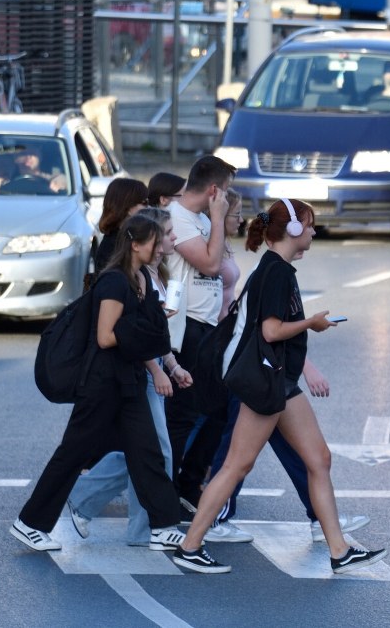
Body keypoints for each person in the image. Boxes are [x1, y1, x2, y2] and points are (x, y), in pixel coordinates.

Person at [173, 198, 386, 574]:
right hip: (263, 383)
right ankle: (191, 545)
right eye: (309, 224)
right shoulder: (276, 273)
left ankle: (339, 550)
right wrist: (312, 324)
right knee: (237, 465)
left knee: (319, 459)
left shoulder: (277, 269)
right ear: (291, 230)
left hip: (279, 380)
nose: (313, 231)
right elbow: (271, 331)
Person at [12, 213, 185, 553]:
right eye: (156, 240)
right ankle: (29, 523)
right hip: (102, 383)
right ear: (135, 244)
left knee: (148, 452)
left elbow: (137, 331)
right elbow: (106, 337)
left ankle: (163, 526)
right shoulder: (114, 282)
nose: (162, 247)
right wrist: (141, 331)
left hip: (128, 381)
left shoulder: (141, 279)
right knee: (73, 453)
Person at [67, 208, 190, 546]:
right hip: (139, 373)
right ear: (142, 242)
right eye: (165, 234)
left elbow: (152, 332)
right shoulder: (132, 278)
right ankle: (140, 526)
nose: (170, 241)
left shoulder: (153, 275)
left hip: (150, 370)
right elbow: (130, 334)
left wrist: (173, 366)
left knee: (145, 451)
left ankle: (94, 503)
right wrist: (158, 370)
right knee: (155, 453)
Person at [163, 157, 233, 517]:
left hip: (209, 326)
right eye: (226, 190)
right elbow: (209, 264)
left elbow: (223, 266)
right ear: (212, 190)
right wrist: (219, 220)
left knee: (220, 410)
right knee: (182, 416)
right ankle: (168, 493)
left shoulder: (205, 220)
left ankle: (189, 483)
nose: (227, 197)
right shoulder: (176, 218)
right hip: (184, 326)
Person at [93, 178, 149, 273]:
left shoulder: (127, 237)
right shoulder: (112, 247)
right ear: (128, 207)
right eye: (145, 202)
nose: (148, 207)